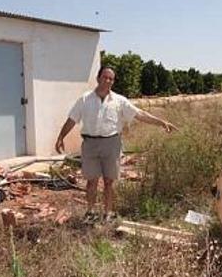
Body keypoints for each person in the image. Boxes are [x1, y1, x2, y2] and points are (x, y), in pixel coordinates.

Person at [55, 66, 177, 223]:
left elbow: (139, 114)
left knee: (109, 181)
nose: (107, 81)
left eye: (111, 79)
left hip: (111, 144)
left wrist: (161, 122)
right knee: (91, 181)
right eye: (105, 77)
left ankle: (108, 213)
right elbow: (72, 119)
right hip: (90, 144)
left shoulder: (119, 101)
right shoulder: (85, 99)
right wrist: (61, 137)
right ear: (98, 78)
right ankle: (91, 212)